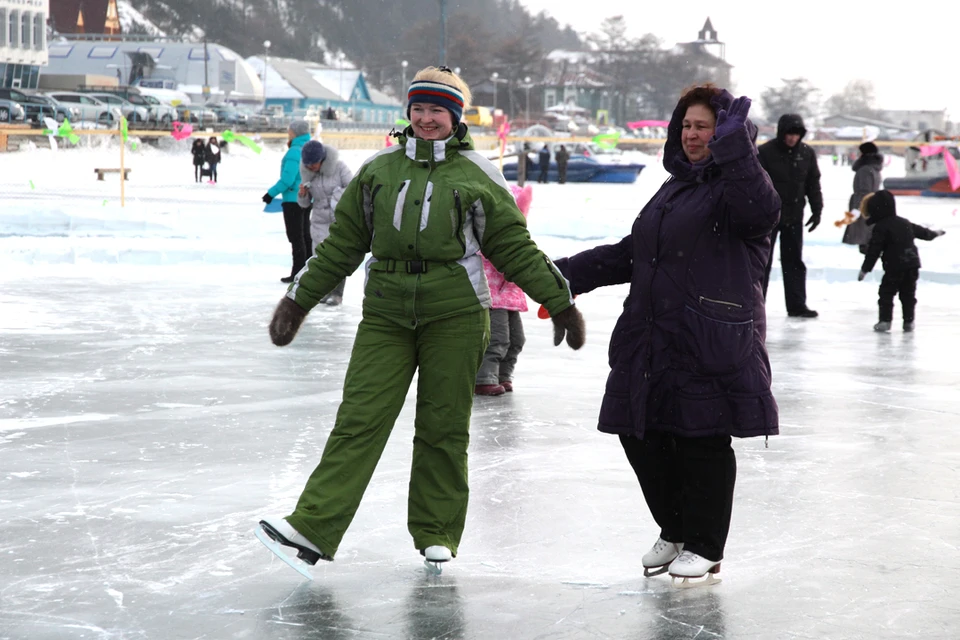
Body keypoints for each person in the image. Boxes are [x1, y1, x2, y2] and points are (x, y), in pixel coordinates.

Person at [257, 66, 585, 573]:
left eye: (438, 110)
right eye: (420, 108)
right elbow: (342, 244)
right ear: (407, 112)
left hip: (455, 313)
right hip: (386, 313)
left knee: (443, 425)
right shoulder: (378, 170)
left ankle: (436, 532)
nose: (427, 118)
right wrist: (298, 301)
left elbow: (513, 246)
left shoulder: (477, 173)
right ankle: (313, 526)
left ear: (455, 116)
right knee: (359, 419)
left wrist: (558, 300)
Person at [552, 85, 780, 584]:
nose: (695, 135)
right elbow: (633, 252)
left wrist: (735, 153)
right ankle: (675, 528)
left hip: (709, 334)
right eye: (688, 126)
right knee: (641, 433)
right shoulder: (675, 186)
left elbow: (760, 214)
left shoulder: (742, 184)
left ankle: (705, 543)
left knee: (702, 441)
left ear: (730, 133)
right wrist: (563, 273)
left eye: (706, 126)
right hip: (652, 333)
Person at [758, 114, 823, 318]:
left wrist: (817, 209)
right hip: (767, 217)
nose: (792, 138)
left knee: (793, 261)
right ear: (781, 133)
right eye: (789, 134)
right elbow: (756, 185)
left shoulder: (806, 153)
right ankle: (756, 306)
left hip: (794, 216)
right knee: (762, 262)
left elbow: (813, 183)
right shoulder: (765, 152)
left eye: (796, 134)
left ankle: (796, 305)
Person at [856, 190, 945, 332]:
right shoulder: (904, 222)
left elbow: (874, 251)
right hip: (912, 263)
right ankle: (909, 322)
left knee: (886, 293)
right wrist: (935, 233)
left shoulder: (881, 227)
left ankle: (885, 321)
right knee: (908, 294)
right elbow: (924, 233)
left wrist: (865, 269)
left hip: (894, 266)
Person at [474, 184, 533, 396]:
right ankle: (483, 378)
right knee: (497, 338)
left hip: (509, 296)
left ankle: (502, 375)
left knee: (517, 339)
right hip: (492, 295)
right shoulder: (487, 233)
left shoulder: (518, 235)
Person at [297, 139, 354, 305]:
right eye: (307, 165)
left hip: (340, 219)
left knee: (338, 258)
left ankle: (337, 294)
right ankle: (324, 291)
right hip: (319, 221)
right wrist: (302, 194)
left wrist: (336, 196)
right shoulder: (308, 174)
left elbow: (353, 189)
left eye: (313, 164)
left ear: (322, 160)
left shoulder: (339, 167)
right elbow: (304, 205)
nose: (311, 168)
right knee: (321, 258)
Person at [263, 120, 312, 283]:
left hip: (292, 200)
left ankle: (297, 273)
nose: (288, 132)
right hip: (306, 198)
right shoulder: (309, 149)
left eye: (290, 130)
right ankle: (307, 272)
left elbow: (287, 179)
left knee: (296, 237)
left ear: (295, 133)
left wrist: (270, 194)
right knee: (305, 236)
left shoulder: (294, 152)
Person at [842, 142, 884, 252]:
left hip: (863, 206)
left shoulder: (865, 170)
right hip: (872, 206)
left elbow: (863, 192)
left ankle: (867, 264)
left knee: (863, 238)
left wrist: (856, 210)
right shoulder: (875, 169)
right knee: (867, 236)